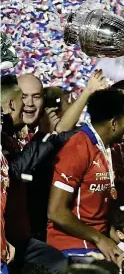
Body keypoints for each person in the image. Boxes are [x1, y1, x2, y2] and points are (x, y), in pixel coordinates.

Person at [47, 87, 124, 259]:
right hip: (72, 244)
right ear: (114, 124)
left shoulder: (111, 149)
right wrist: (100, 239)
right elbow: (55, 211)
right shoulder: (77, 148)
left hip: (96, 241)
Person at [1, 74, 71, 273]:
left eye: (36, 96)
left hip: (28, 234)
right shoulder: (5, 137)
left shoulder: (37, 135)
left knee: (60, 263)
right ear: (12, 101)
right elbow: (13, 169)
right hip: (8, 240)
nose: (29, 104)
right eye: (24, 97)